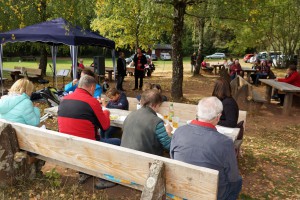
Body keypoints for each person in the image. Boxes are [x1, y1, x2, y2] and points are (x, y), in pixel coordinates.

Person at [170, 97, 242, 200]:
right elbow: (233, 178)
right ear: (218, 117)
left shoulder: (179, 132)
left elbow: (173, 158)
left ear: (198, 113)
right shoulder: (225, 143)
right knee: (237, 182)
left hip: (182, 189)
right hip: (212, 194)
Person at [58, 75, 120, 189]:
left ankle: (84, 171)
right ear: (92, 87)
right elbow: (105, 126)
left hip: (67, 144)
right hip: (87, 146)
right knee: (118, 141)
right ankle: (105, 178)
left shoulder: (64, 100)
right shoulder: (92, 102)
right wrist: (106, 112)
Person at [121, 89, 172, 156]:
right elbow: (168, 146)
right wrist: (168, 133)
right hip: (145, 160)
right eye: (159, 105)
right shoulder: (156, 121)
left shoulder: (130, 115)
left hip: (124, 155)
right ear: (155, 105)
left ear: (141, 101)